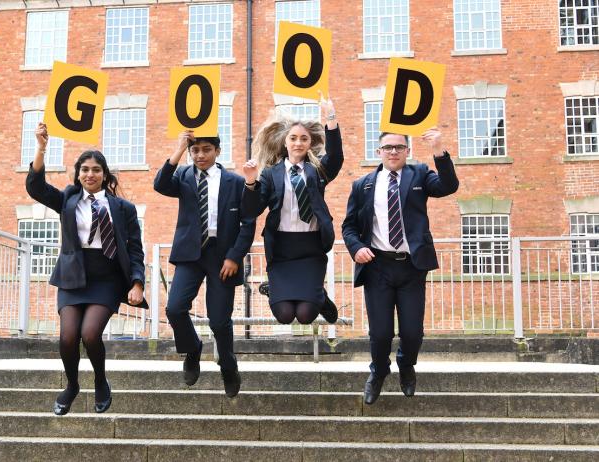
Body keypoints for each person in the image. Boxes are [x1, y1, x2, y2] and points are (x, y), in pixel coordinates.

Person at [26, 123, 146, 415]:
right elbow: (35, 187)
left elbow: (134, 249)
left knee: (90, 334)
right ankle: (72, 385)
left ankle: (101, 382)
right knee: (68, 337)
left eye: (96, 170)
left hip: (106, 278)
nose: (90, 174)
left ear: (105, 175)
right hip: (72, 277)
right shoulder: (67, 200)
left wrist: (137, 283)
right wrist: (42, 147)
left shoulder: (123, 208)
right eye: (85, 170)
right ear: (78, 174)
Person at [342, 128, 459, 404]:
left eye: (399, 147)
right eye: (388, 147)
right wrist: (357, 248)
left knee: (412, 331)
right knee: (380, 333)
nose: (393, 152)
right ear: (378, 152)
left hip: (411, 267)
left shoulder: (419, 175)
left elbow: (448, 186)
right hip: (378, 267)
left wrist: (439, 150)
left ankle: (406, 365)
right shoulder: (363, 185)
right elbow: (348, 227)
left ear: (407, 151)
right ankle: (379, 371)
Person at [154, 131, 255, 398]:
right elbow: (160, 185)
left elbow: (248, 222)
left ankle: (229, 366)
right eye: (195, 150)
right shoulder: (184, 176)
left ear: (218, 151)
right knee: (175, 308)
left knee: (220, 321)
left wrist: (235, 256)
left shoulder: (234, 182)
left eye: (206, 149)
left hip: (222, 256)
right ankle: (193, 349)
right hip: (190, 253)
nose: (199, 155)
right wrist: (178, 148)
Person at [241, 96, 343, 325]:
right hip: (282, 250)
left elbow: (336, 156)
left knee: (306, 316)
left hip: (312, 247)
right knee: (285, 316)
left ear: (309, 143)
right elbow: (252, 209)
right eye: (293, 138)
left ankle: (320, 296)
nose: (298, 143)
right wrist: (250, 183)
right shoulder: (270, 174)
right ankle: (274, 288)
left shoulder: (317, 171)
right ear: (285, 142)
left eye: (303, 139)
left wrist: (331, 117)